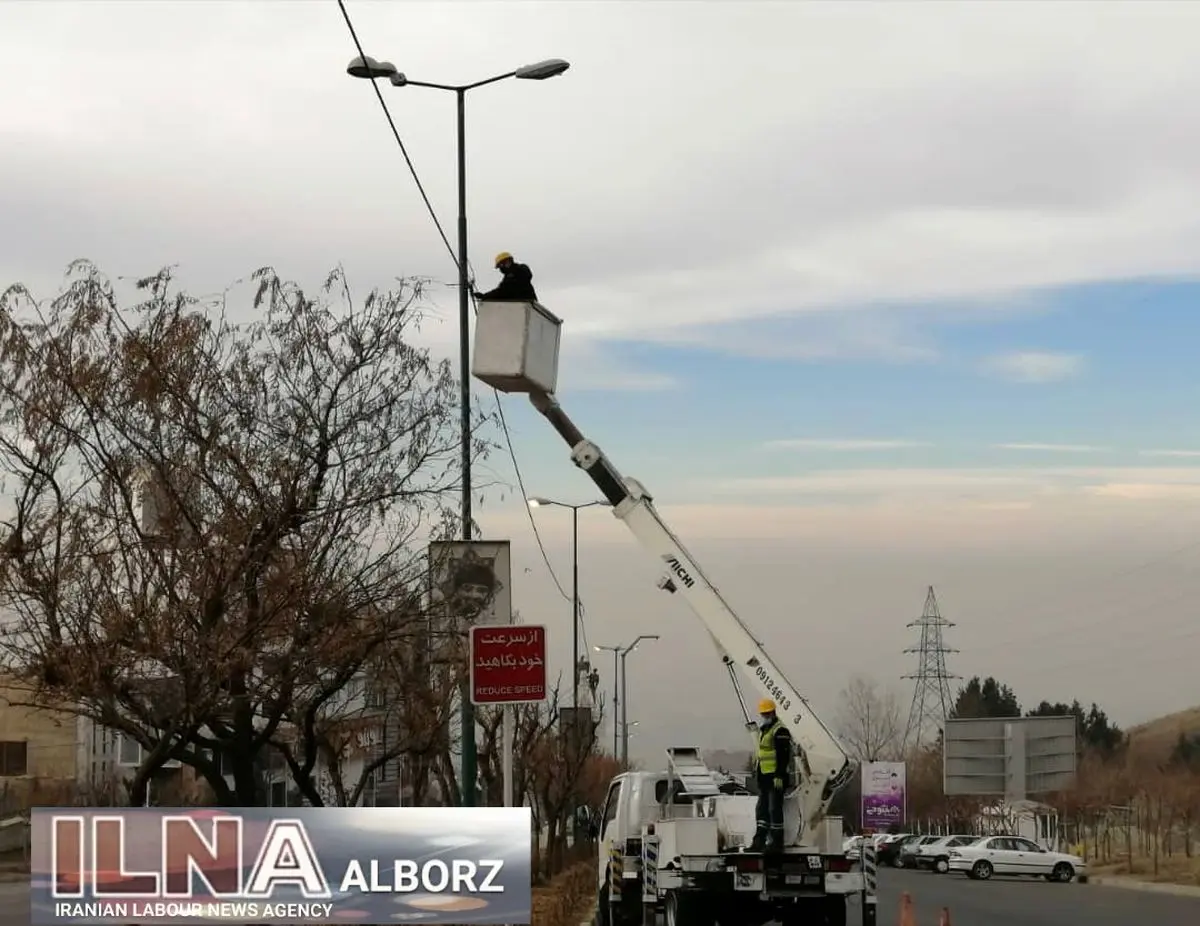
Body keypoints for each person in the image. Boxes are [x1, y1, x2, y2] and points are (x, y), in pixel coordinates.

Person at [751, 698, 793, 852]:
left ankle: (777, 842)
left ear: (773, 712)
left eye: (767, 713)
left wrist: (780, 775)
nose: (765, 716)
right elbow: (763, 755)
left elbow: (783, 755)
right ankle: (759, 840)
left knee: (774, 809)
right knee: (762, 810)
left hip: (776, 778)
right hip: (765, 777)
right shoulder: (765, 730)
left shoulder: (780, 730)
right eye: (763, 714)